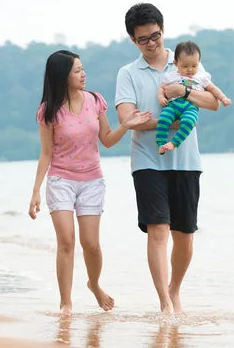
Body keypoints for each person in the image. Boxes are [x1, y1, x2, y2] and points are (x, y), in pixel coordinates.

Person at [28, 49, 152, 317]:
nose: (83, 75)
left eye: (83, 69)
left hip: (92, 180)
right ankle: (66, 303)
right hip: (60, 179)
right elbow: (46, 153)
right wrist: (36, 190)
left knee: (91, 244)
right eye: (77, 71)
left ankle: (94, 284)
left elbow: (106, 140)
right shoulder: (48, 111)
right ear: (63, 76)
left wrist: (127, 125)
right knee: (66, 241)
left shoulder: (95, 100)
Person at [114, 3, 220, 316]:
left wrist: (182, 92)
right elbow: (127, 118)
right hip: (147, 159)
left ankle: (175, 290)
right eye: (143, 39)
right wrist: (173, 122)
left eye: (155, 36)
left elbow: (213, 102)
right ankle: (164, 303)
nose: (151, 43)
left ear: (163, 30)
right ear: (133, 40)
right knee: (158, 229)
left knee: (185, 236)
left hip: (186, 161)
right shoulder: (128, 74)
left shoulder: (186, 62)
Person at [156, 40, 231, 154]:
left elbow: (213, 89)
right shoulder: (171, 76)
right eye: (185, 66)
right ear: (176, 63)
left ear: (199, 62)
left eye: (194, 66)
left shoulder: (202, 77)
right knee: (163, 119)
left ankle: (174, 143)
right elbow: (161, 88)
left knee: (189, 121)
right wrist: (161, 97)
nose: (190, 69)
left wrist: (223, 98)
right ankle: (161, 144)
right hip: (172, 105)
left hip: (190, 107)